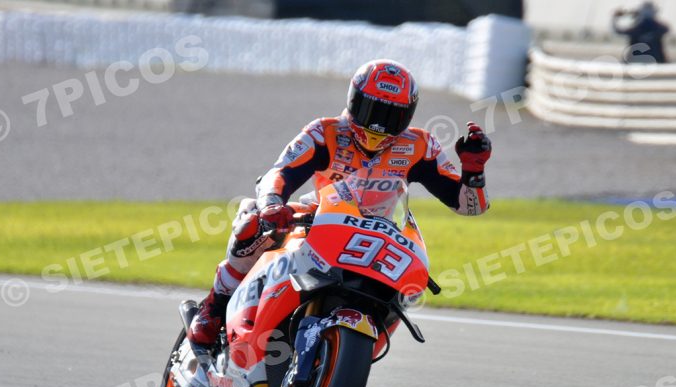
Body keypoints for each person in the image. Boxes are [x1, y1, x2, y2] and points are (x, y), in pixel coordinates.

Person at [188, 59, 492, 347]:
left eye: (390, 116)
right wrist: (271, 205)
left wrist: (474, 172)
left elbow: (469, 207)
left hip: (384, 232)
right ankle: (216, 305)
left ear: (408, 115)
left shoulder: (420, 145)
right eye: (371, 110)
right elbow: (280, 172)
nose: (378, 125)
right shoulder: (325, 131)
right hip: (320, 218)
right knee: (251, 218)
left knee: (410, 282)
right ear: (353, 100)